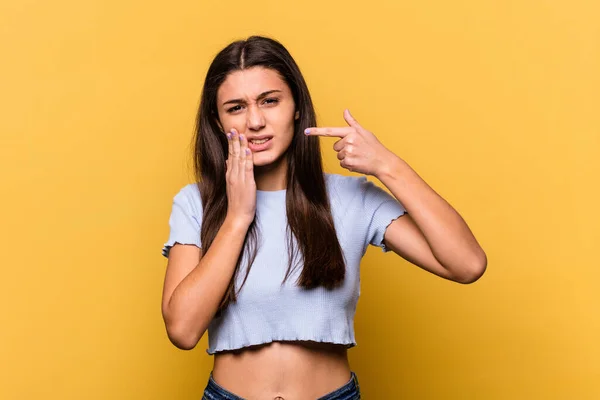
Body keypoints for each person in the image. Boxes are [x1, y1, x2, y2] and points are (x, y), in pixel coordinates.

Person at [160, 35, 487, 400]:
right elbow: (183, 330)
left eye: (270, 101)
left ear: (297, 106)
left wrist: (388, 166)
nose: (255, 121)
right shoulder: (196, 203)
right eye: (236, 107)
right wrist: (238, 217)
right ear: (218, 121)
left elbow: (467, 264)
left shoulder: (352, 198)